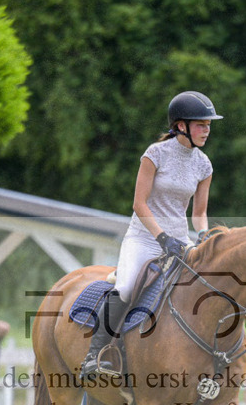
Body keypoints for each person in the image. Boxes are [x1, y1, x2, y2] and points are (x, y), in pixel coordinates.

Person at [79, 90, 222, 378]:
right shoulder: (155, 154)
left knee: (203, 287)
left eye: (208, 125)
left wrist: (204, 234)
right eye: (201, 125)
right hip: (144, 237)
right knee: (126, 287)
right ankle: (95, 354)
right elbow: (139, 204)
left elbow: (199, 213)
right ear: (181, 125)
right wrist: (161, 237)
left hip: (180, 241)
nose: (207, 130)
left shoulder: (204, 164)